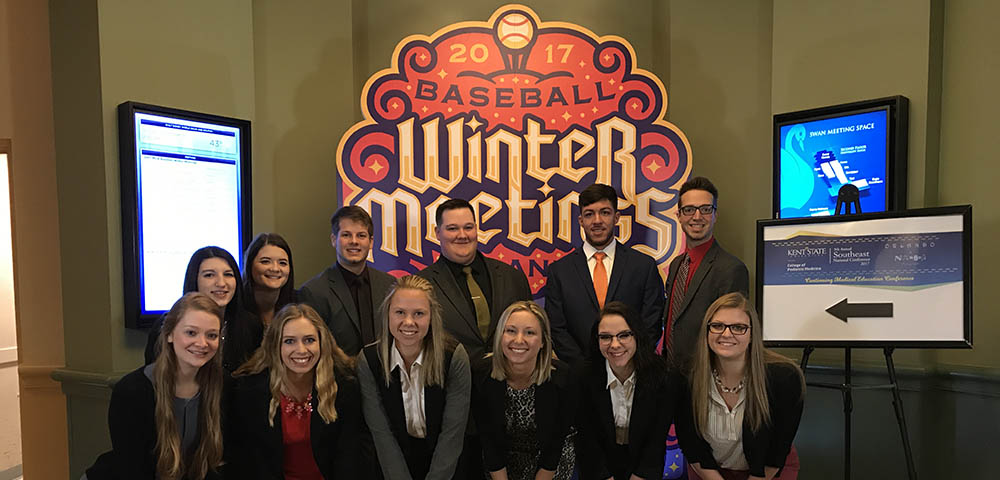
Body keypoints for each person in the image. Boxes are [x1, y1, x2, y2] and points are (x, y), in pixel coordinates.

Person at [86, 293, 225, 480]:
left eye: (211, 335)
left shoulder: (222, 388)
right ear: (169, 334)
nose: (202, 343)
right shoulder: (132, 391)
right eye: (191, 332)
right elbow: (132, 469)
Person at [227, 303, 365, 479]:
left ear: (322, 343)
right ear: (275, 345)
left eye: (309, 340)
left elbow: (350, 459)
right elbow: (248, 464)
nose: (301, 350)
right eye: (289, 341)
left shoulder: (344, 387)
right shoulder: (249, 392)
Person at [675, 293, 804, 480]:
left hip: (768, 472)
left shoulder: (785, 378)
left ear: (752, 334)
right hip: (709, 471)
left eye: (738, 327)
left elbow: (776, 452)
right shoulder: (686, 376)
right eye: (717, 326)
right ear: (707, 331)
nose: (726, 334)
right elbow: (692, 447)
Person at [357, 275, 471, 480]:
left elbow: (452, 434)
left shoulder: (454, 356)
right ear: (388, 315)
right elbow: (382, 435)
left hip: (446, 467)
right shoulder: (369, 361)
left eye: (419, 313)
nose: (408, 322)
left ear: (431, 317)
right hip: (393, 466)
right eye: (400, 312)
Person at [546, 183, 665, 364]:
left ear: (616, 217)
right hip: (578, 376)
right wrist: (584, 368)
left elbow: (652, 323)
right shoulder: (560, 271)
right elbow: (556, 328)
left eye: (605, 212)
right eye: (589, 214)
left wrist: (628, 361)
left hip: (633, 371)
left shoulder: (643, 266)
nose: (597, 221)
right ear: (580, 221)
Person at [417, 199, 532, 363]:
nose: (462, 235)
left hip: (509, 379)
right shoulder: (421, 286)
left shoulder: (513, 277)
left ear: (476, 229)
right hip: (450, 382)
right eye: (452, 228)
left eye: (468, 227)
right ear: (437, 232)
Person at [474, 301, 578, 480]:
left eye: (529, 332)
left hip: (549, 458)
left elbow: (556, 439)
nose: (519, 340)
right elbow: (489, 440)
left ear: (543, 342)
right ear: (500, 336)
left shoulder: (562, 377)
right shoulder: (482, 374)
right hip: (503, 459)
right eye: (511, 331)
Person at [576, 302, 674, 480]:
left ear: (637, 336)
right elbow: (588, 439)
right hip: (599, 467)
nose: (615, 344)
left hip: (644, 466)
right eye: (605, 337)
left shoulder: (662, 377)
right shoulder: (584, 377)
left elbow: (656, 438)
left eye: (624, 335)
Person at [661, 176, 749, 371]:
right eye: (689, 210)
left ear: (715, 215)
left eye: (706, 209)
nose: (697, 216)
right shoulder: (676, 265)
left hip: (706, 377)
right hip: (670, 374)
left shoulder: (731, 269)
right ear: (679, 216)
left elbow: (731, 337)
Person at [299, 206, 395, 356]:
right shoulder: (314, 292)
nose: (354, 241)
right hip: (338, 378)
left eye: (361, 235)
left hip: (386, 377)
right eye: (346, 235)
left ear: (370, 243)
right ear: (333, 240)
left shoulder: (390, 285)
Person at [144, 246, 257, 372]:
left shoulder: (251, 325)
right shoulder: (167, 324)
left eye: (228, 274)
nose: (221, 283)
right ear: (195, 279)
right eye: (209, 275)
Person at [243, 232, 296, 327]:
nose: (275, 269)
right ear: (249, 265)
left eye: (282, 263)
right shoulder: (235, 307)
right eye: (265, 261)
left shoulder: (298, 304)